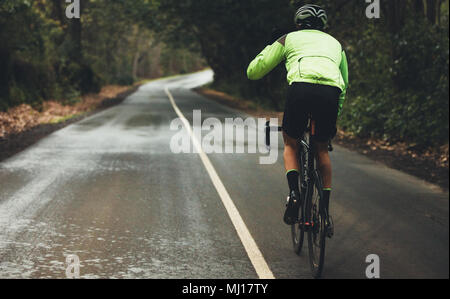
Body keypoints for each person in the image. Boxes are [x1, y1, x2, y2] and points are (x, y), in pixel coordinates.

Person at [247, 4, 349, 227]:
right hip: (330, 94)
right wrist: (335, 112)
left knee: (291, 143)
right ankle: (324, 210)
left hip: (300, 90)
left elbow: (253, 71)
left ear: (298, 23)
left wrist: (271, 44)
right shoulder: (336, 44)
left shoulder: (288, 39)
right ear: (323, 26)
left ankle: (294, 193)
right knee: (322, 148)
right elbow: (344, 82)